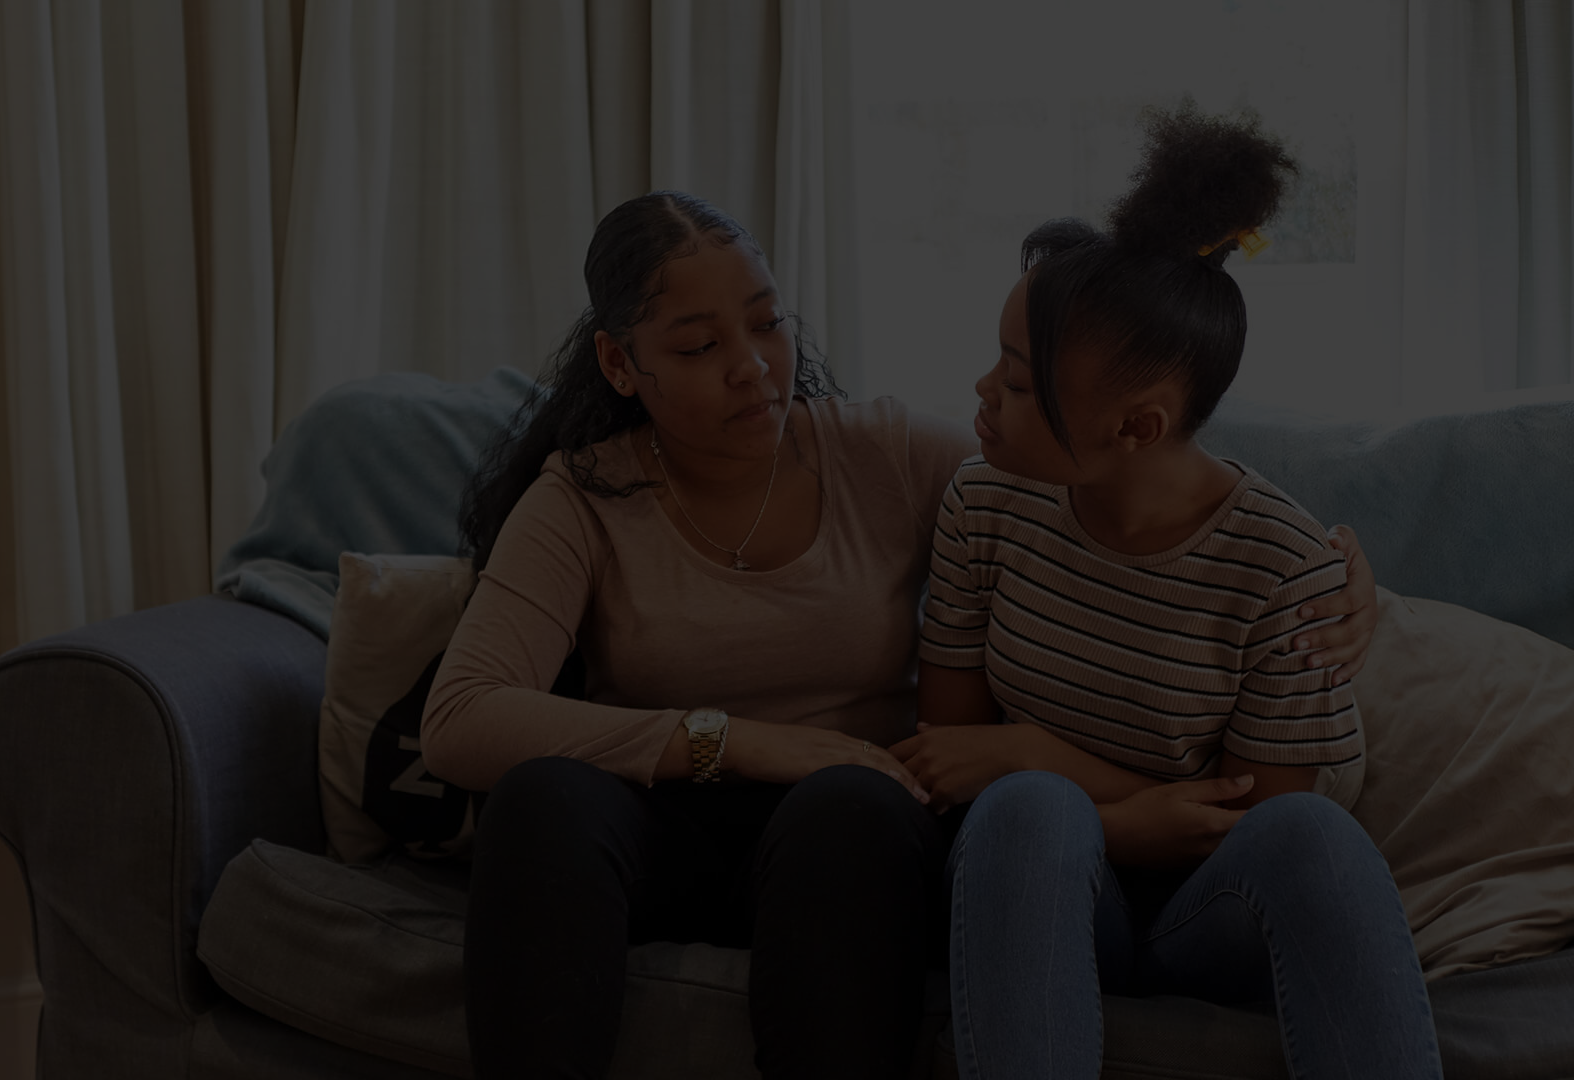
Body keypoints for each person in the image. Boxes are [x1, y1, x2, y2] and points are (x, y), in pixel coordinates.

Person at [420, 188, 1382, 1079]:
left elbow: (1090, 466)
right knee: (540, 798)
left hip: (856, 838)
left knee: (848, 803)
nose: (753, 367)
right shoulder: (584, 497)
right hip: (666, 823)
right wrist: (736, 740)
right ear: (621, 364)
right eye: (696, 346)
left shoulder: (886, 454)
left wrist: (1343, 579)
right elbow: (462, 720)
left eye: (765, 323)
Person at [897, 104, 1442, 1078]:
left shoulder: (1286, 567)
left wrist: (1040, 760)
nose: (982, 392)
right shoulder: (985, 503)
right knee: (1031, 812)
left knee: (1313, 834)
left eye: (1019, 384)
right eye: (997, 361)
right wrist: (1100, 807)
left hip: (1210, 913)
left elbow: (1253, 819)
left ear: (1137, 428)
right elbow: (953, 760)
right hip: (1042, 885)